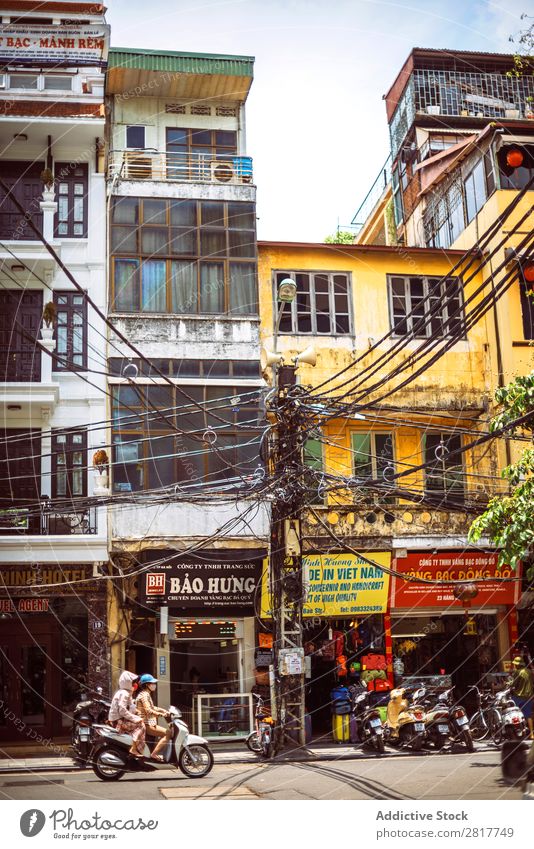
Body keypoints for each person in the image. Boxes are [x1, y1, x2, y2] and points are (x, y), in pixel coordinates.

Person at [108, 670, 146, 757]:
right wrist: (136, 718)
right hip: (119, 721)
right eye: (133, 682)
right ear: (127, 682)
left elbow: (131, 706)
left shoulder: (125, 692)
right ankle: (133, 748)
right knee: (141, 725)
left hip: (119, 719)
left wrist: (137, 712)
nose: (134, 684)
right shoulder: (124, 693)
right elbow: (122, 710)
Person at [135, 674, 171, 762]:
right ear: (147, 684)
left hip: (148, 722)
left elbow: (152, 707)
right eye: (153, 683)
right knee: (168, 733)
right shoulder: (144, 696)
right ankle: (154, 754)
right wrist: (162, 715)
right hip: (146, 724)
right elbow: (149, 711)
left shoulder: (145, 694)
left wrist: (163, 711)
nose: (155, 685)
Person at [510, 656, 534, 739]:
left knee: (513, 713)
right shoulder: (530, 672)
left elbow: (513, 684)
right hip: (529, 697)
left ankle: (517, 731)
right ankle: (531, 734)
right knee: (528, 715)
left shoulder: (518, 672)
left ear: (517, 665)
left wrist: (508, 683)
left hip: (518, 696)